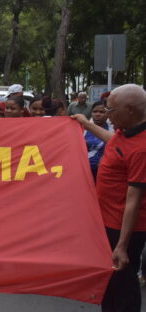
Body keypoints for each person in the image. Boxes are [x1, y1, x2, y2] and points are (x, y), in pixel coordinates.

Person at [71, 84, 146, 312]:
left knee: (123, 283)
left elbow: (134, 200)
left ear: (130, 109)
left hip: (122, 228)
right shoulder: (126, 133)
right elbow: (112, 140)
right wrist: (86, 124)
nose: (108, 116)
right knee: (111, 281)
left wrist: (122, 246)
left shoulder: (142, 149)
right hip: (107, 221)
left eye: (111, 111)